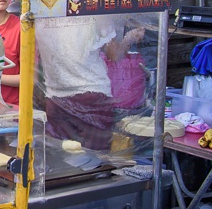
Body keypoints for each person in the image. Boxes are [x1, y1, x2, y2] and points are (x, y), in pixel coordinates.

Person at [37, 15, 146, 150]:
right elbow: (115, 54)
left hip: (55, 98)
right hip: (92, 98)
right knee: (92, 160)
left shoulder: (41, 17)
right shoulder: (95, 16)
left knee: (62, 159)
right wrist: (130, 38)